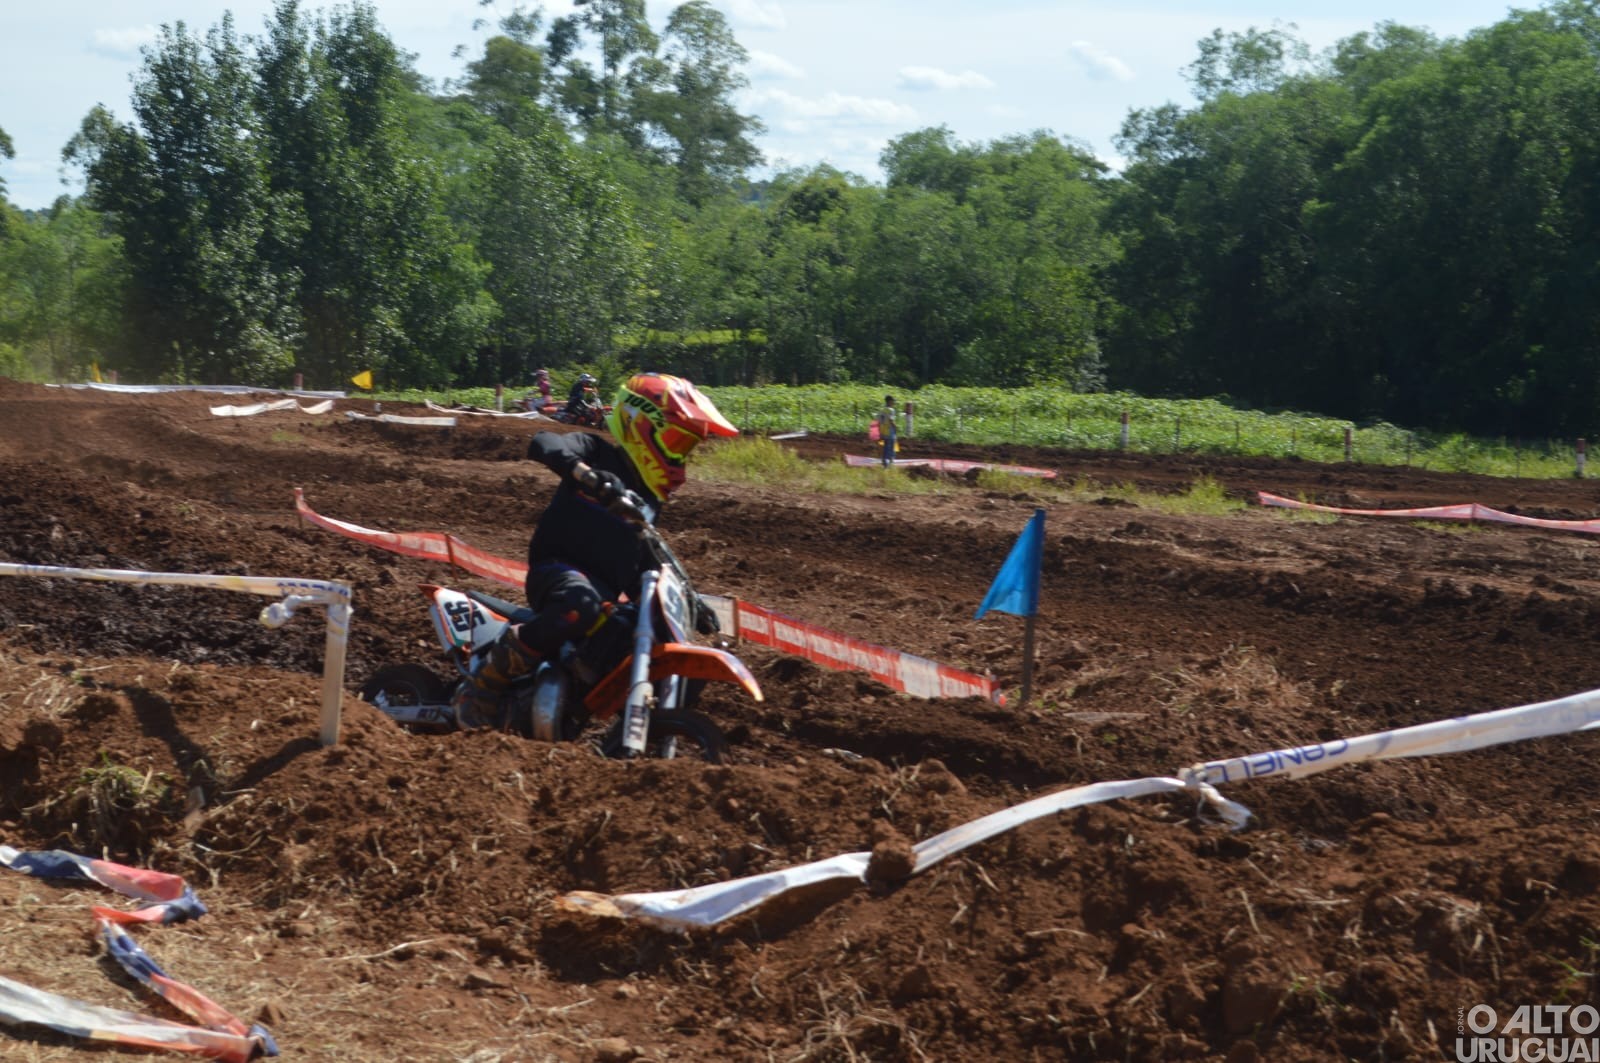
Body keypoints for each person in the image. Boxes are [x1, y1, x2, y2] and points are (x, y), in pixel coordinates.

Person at [452, 373, 739, 729]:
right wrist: (585, 475)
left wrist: (689, 601)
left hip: (603, 596)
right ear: (640, 426)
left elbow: (643, 560)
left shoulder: (647, 501)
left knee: (645, 633)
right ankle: (482, 686)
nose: (680, 454)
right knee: (581, 605)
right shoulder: (597, 454)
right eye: (675, 441)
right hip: (558, 573)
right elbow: (544, 442)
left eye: (686, 447)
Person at [874, 395, 899, 467]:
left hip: (883, 431)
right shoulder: (891, 410)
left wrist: (879, 431)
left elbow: (878, 421)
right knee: (891, 446)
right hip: (890, 430)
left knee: (886, 446)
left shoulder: (882, 410)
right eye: (893, 401)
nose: (893, 402)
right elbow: (891, 420)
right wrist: (896, 427)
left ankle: (884, 460)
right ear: (889, 401)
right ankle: (890, 462)